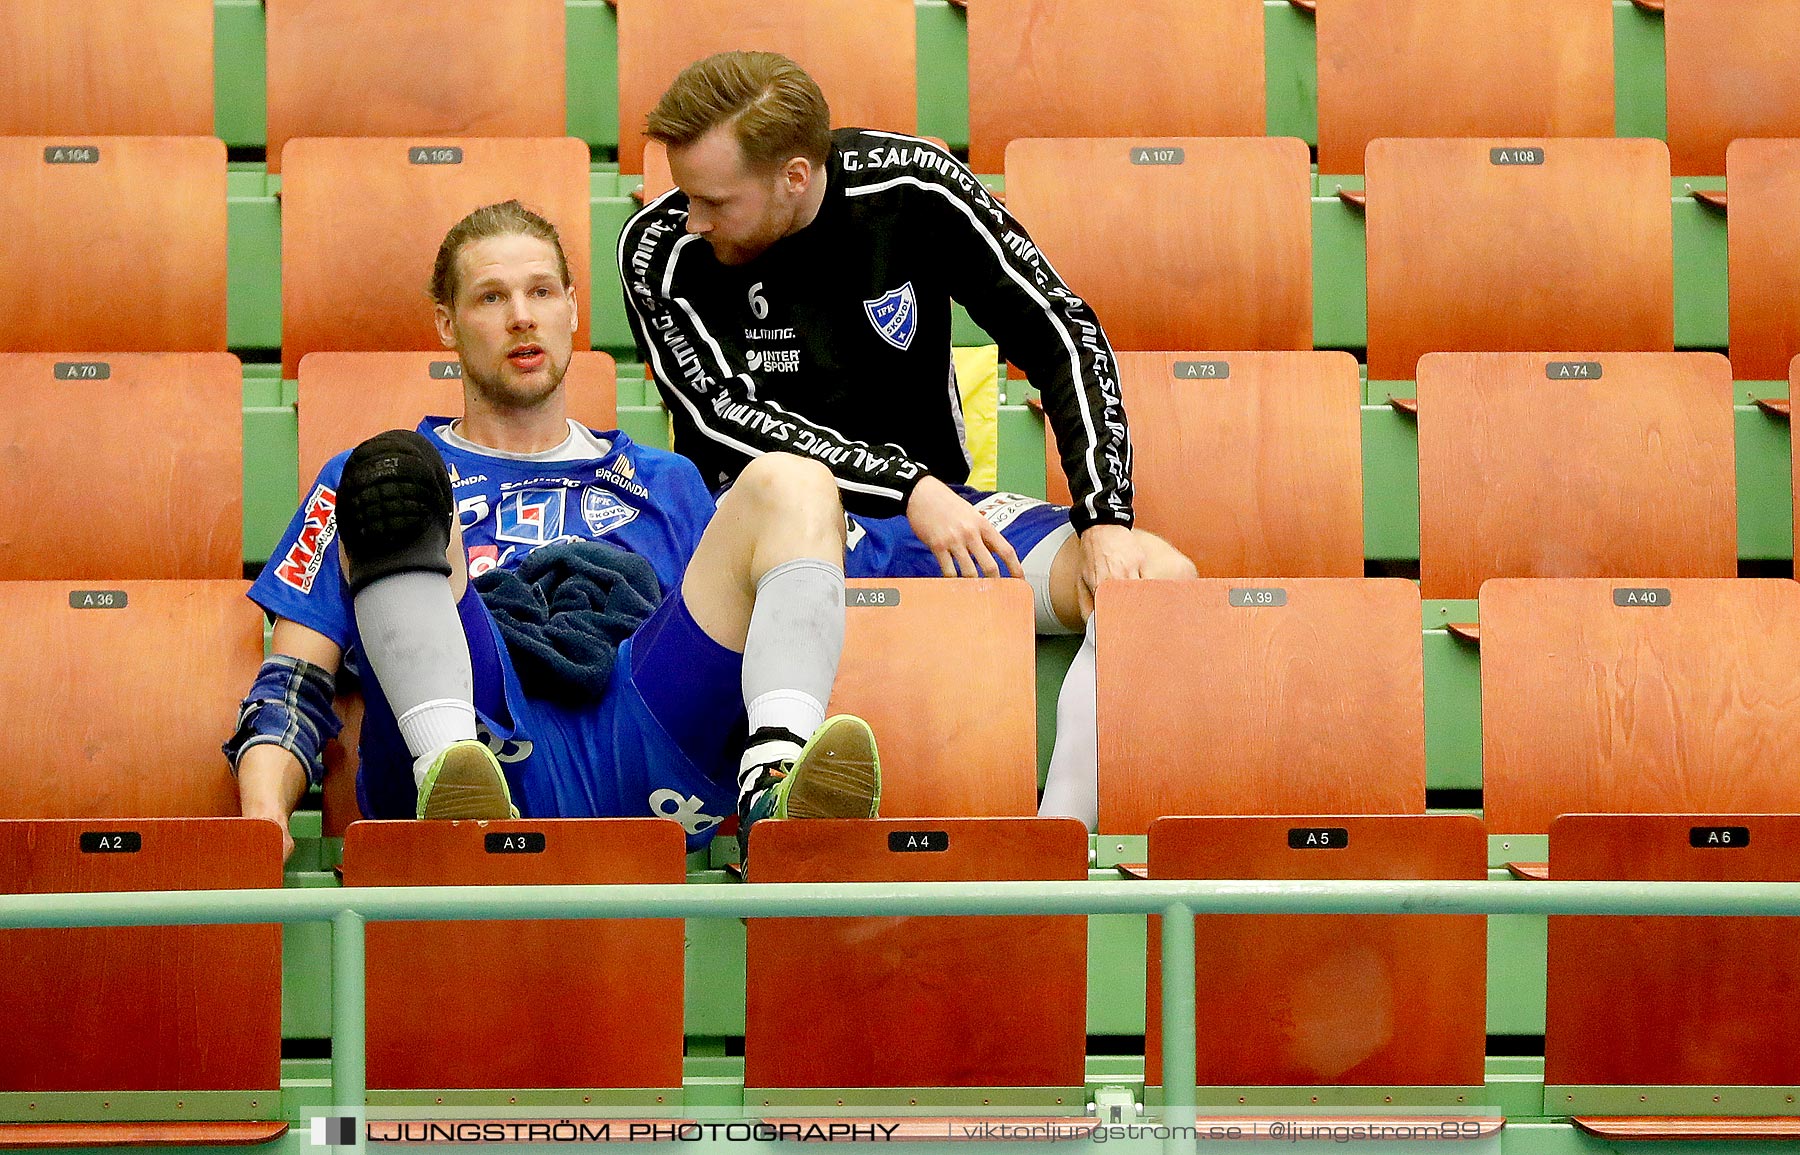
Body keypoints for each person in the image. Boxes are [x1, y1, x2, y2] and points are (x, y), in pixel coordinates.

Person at [618, 52, 1196, 830]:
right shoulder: (659, 249)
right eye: (685, 193)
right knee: (787, 500)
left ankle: (1053, 852)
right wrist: (906, 485)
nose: (692, 219)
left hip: (938, 520)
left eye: (714, 200)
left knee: (1152, 583)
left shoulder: (913, 188)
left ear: (794, 176)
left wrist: (1103, 519)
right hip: (768, 549)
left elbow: (1061, 332)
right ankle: (769, 804)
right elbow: (724, 417)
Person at [227, 200, 880, 863]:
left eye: (541, 291)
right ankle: (455, 784)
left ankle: (777, 792)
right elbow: (293, 683)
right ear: (448, 325)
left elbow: (735, 650)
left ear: (571, 307)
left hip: (645, 753)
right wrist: (263, 818)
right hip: (477, 731)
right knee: (394, 476)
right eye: (491, 297)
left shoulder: (668, 480)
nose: (521, 316)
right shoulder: (367, 480)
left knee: (793, 483)